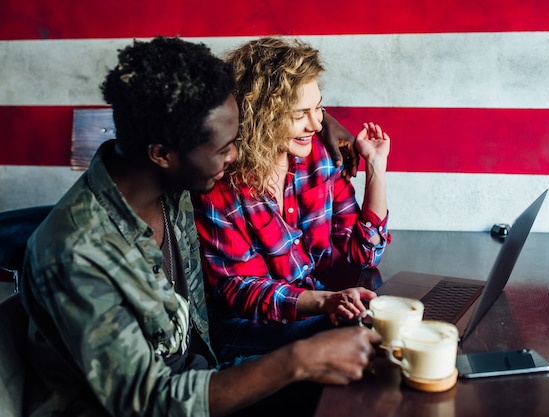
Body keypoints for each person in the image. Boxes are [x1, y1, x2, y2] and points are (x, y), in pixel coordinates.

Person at [19, 36, 381, 417]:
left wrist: (320, 123)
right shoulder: (76, 255)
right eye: (223, 148)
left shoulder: (168, 183)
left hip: (203, 373)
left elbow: (261, 99)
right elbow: (152, 403)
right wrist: (299, 360)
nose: (236, 153)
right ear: (162, 153)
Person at [192, 37, 392, 362]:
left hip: (315, 307)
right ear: (261, 115)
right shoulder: (220, 183)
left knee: (389, 324)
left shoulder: (319, 157)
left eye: (318, 108)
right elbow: (240, 291)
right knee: (369, 339)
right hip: (245, 327)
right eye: (301, 113)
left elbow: (364, 254)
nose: (316, 124)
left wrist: (375, 167)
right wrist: (325, 302)